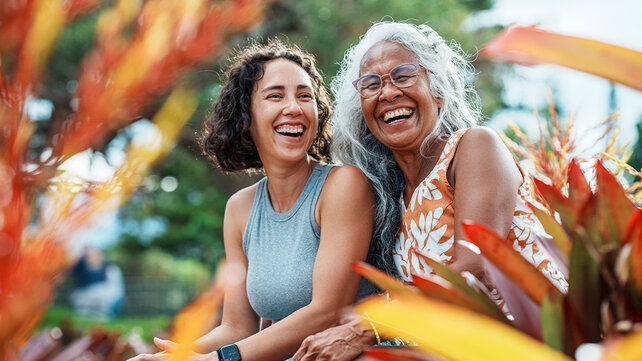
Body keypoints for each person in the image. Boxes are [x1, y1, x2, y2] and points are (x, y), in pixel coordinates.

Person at [292, 21, 568, 361]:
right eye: (371, 84)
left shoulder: (475, 146)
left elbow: (472, 270)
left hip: (527, 341)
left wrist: (365, 328)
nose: (388, 92)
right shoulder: (389, 199)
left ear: (437, 91)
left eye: (404, 75)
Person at [131, 40, 378, 361]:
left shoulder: (343, 185)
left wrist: (217, 360)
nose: (294, 107)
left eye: (305, 96)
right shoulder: (240, 209)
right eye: (275, 95)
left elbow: (326, 313)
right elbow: (237, 327)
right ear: (245, 115)